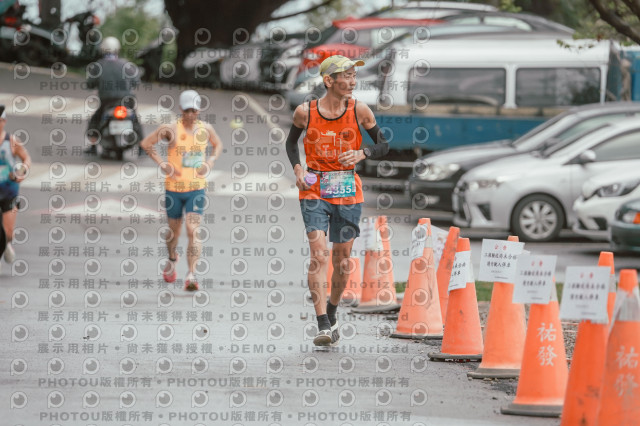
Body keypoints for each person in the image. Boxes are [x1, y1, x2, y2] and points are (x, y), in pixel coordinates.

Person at [285, 55, 390, 346]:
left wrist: (362, 153)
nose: (353, 81)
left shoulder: (360, 110)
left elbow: (383, 145)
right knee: (318, 254)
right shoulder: (305, 112)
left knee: (342, 260)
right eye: (347, 76)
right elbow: (291, 143)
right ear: (329, 80)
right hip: (314, 189)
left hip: (346, 189)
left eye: (355, 76)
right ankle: (322, 323)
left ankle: (332, 310)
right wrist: (298, 168)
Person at [140, 90, 222, 291]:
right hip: (174, 189)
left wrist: (210, 161)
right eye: (187, 111)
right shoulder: (171, 128)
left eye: (194, 110)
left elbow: (218, 144)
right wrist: (162, 164)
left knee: (193, 230)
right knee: (173, 232)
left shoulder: (206, 129)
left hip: (196, 188)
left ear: (199, 110)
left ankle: (191, 275)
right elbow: (146, 143)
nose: (190, 114)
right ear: (180, 110)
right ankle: (171, 258)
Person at [85, 36, 143, 156]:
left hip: (107, 101)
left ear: (102, 50)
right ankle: (142, 148)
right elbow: (136, 81)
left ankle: (93, 147)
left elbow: (90, 83)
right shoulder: (126, 64)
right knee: (135, 121)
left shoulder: (98, 65)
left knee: (95, 120)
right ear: (117, 49)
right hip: (127, 101)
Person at [0, 105, 30, 265]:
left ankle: (7, 244)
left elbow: (26, 158)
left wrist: (23, 170)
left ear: (4, 121)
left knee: (8, 232)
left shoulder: (11, 141)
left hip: (9, 191)